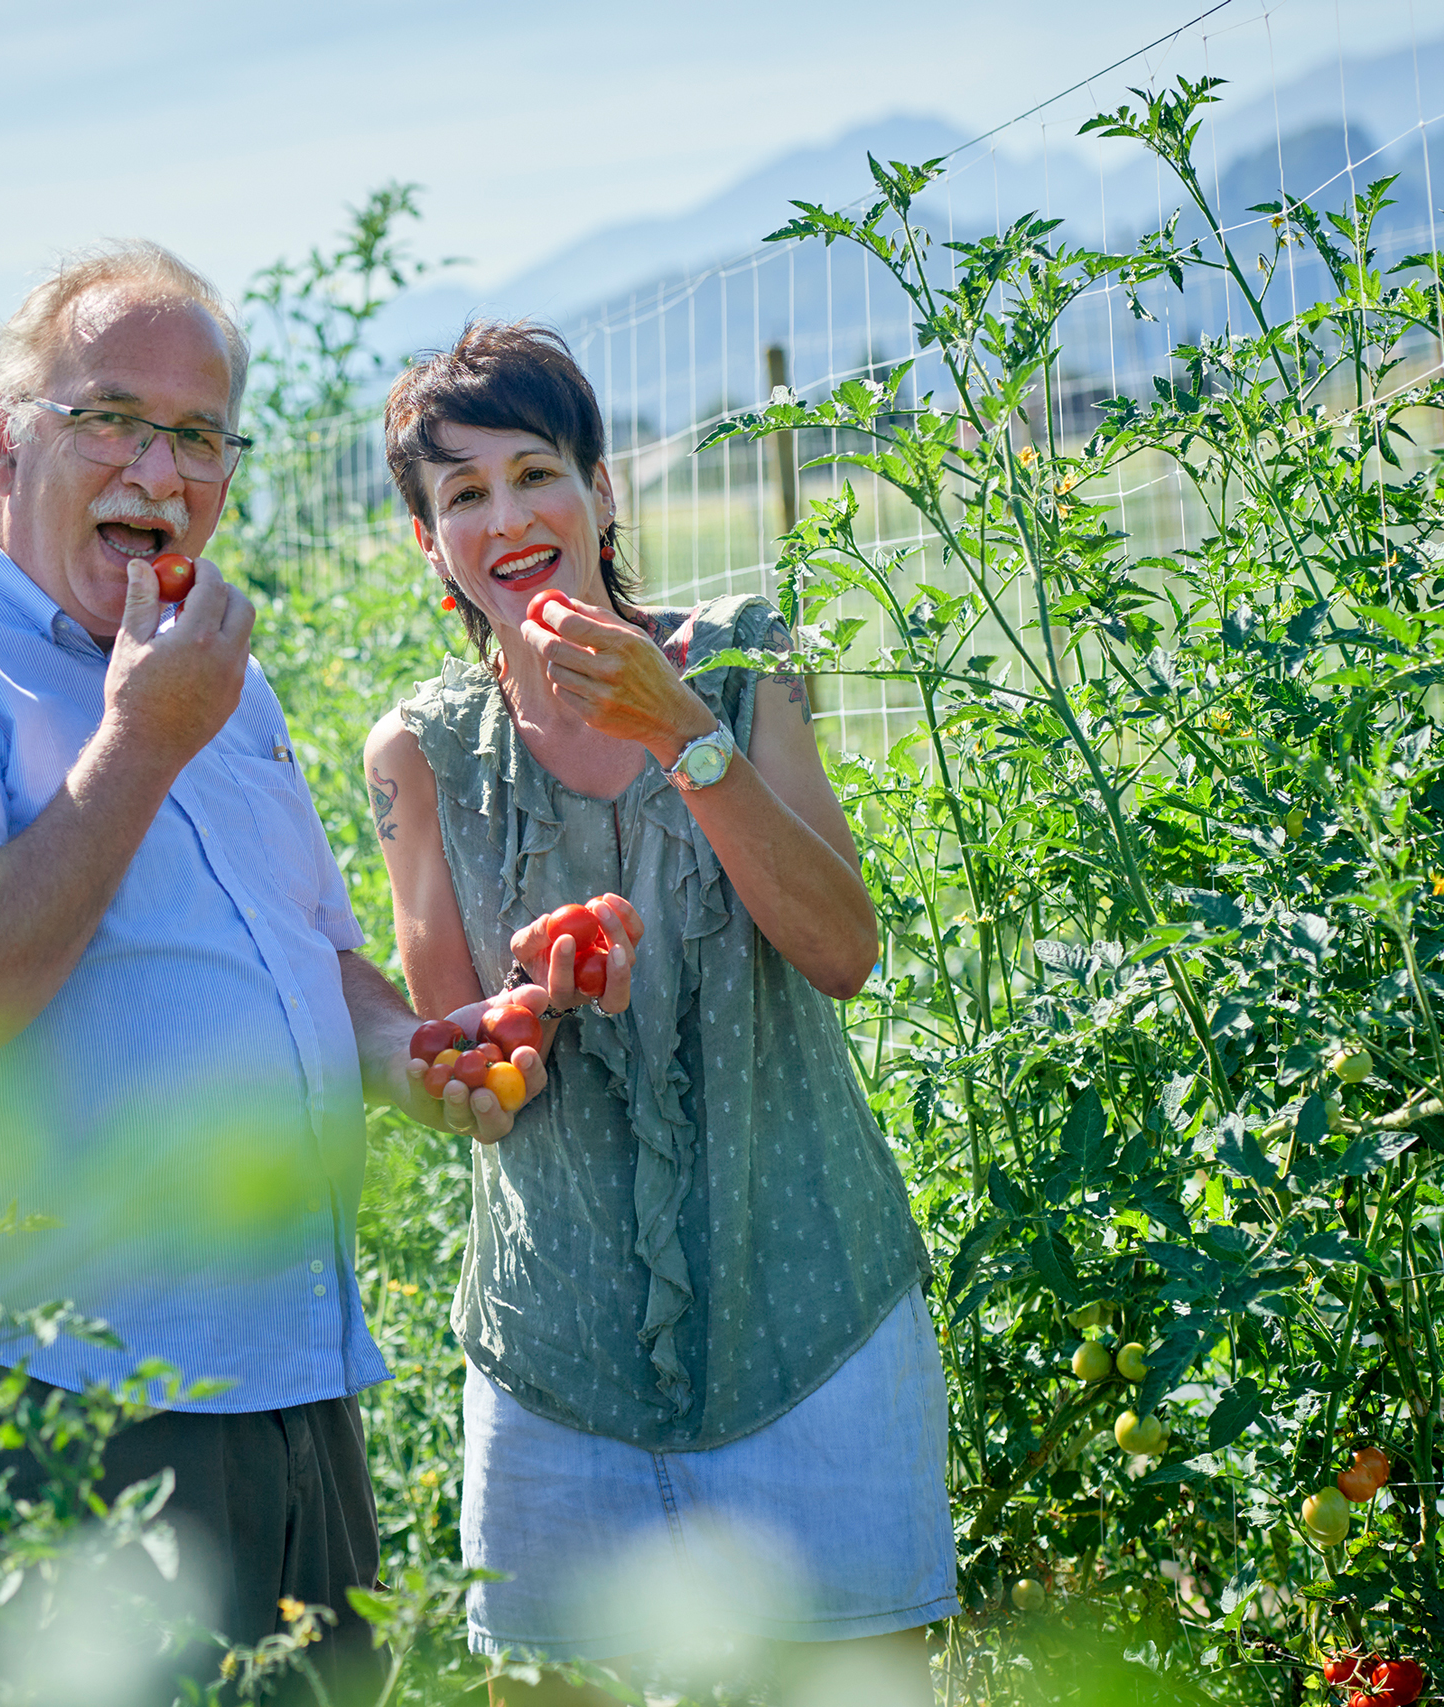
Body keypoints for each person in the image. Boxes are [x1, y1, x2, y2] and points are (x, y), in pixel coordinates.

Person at [0, 243, 551, 1696]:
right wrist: (143, 739)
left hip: (283, 1386)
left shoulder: (204, 670)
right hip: (45, 1411)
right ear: (2, 438)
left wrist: (411, 1050)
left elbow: (302, 959)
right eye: (109, 417)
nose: (158, 471)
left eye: (197, 436)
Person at [362, 322, 955, 1706]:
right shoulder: (423, 754)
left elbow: (843, 948)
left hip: (808, 1319)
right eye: (461, 496)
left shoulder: (740, 671)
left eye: (533, 473)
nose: (506, 519)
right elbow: (457, 1063)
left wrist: (682, 734)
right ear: (427, 544)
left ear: (602, 489)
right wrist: (531, 1014)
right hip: (558, 1353)